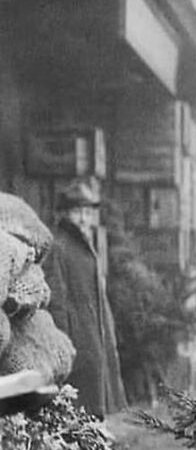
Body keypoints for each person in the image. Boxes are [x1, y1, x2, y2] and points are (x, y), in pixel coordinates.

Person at [42, 179, 126, 419]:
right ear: (64, 214)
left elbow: (98, 300)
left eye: (87, 212)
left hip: (93, 342)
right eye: (77, 212)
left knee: (92, 417)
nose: (82, 219)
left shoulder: (85, 246)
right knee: (76, 416)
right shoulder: (58, 246)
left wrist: (107, 336)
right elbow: (56, 302)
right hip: (77, 346)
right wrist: (65, 349)